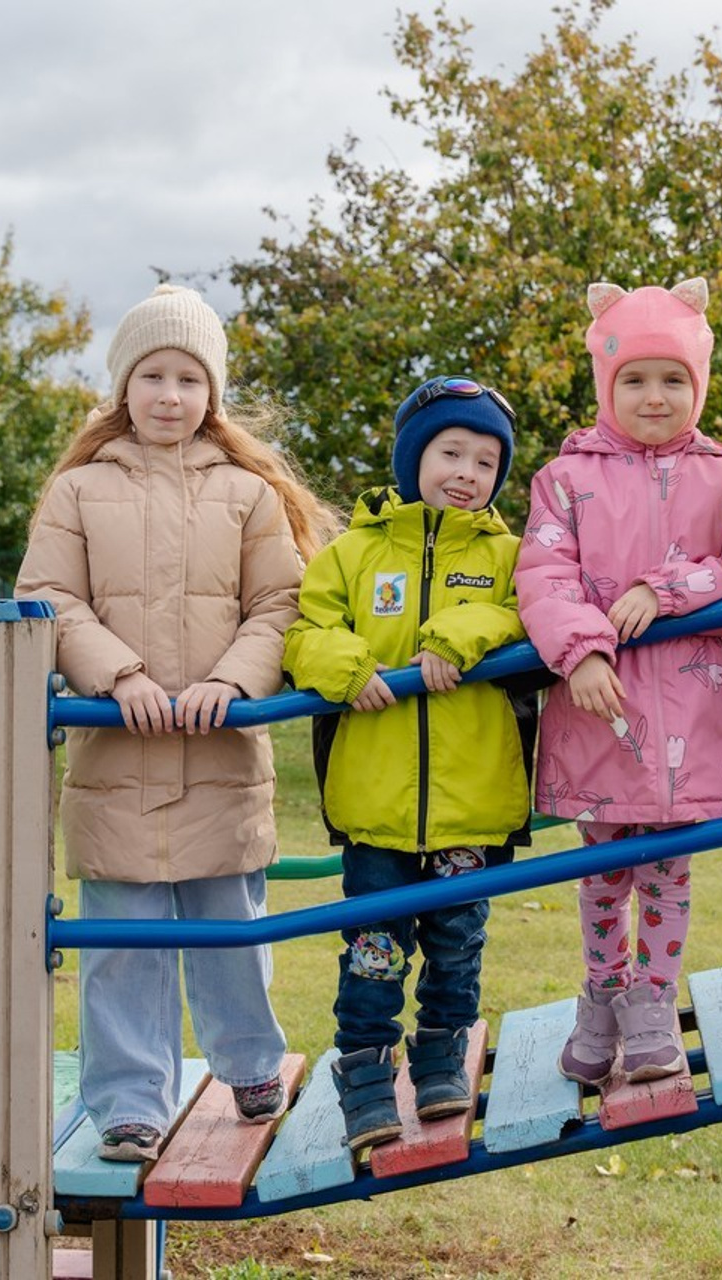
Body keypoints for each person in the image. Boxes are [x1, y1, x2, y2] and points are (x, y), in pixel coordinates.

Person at [16, 284, 337, 1161]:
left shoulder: (246, 494)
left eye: (189, 378)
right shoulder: (77, 491)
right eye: (151, 375)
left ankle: (251, 1060)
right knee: (123, 938)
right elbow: (46, 595)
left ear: (213, 394)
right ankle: (129, 1102)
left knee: (228, 924)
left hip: (220, 751)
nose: (169, 395)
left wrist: (233, 680)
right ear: (122, 387)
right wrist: (116, 673)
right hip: (117, 755)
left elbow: (280, 601)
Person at [283, 375, 534, 1151]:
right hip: (376, 809)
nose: (466, 471)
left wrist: (466, 629)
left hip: (473, 806)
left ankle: (440, 1056)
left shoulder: (510, 555)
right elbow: (302, 633)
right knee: (373, 948)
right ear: (411, 458)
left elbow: (537, 611)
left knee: (458, 942)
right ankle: (362, 1069)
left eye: (485, 461)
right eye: (450, 451)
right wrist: (348, 665)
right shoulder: (352, 554)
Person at [516, 279, 722, 1087]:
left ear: (700, 384)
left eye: (674, 379)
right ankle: (602, 991)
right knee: (600, 871)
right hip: (601, 714)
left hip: (693, 711)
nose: (656, 397)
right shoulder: (566, 478)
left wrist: (667, 589)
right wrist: (581, 649)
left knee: (671, 870)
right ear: (605, 385)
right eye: (636, 380)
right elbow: (544, 571)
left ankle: (654, 999)